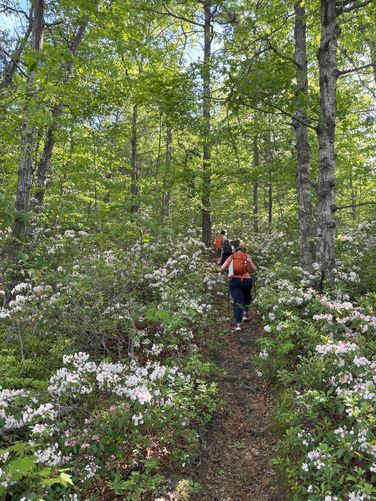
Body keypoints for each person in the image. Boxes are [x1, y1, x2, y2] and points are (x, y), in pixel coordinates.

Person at [221, 240, 257, 331]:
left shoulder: (232, 257)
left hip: (234, 280)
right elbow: (255, 268)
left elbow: (222, 268)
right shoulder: (247, 257)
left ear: (235, 250)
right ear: (243, 250)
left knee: (238, 301)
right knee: (247, 296)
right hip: (246, 280)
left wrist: (227, 271)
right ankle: (245, 313)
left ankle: (238, 324)